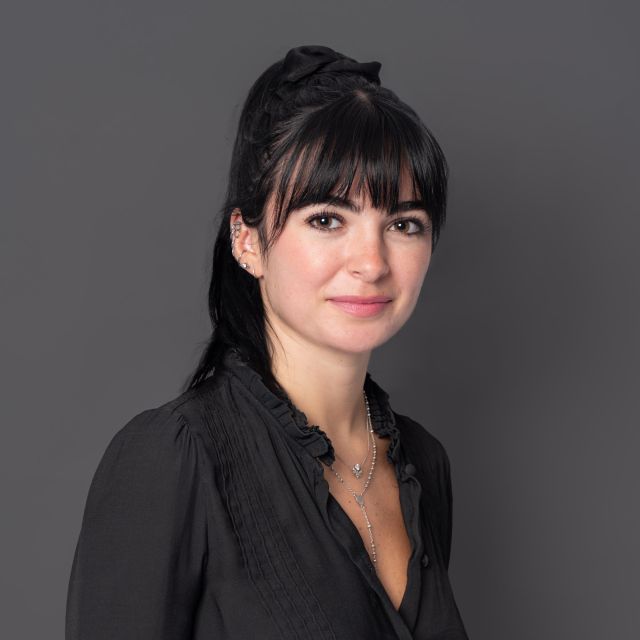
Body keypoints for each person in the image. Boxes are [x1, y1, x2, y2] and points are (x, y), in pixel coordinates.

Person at [65, 44, 469, 640]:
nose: (372, 262)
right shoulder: (174, 457)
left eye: (403, 224)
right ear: (247, 241)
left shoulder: (423, 465)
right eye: (327, 219)